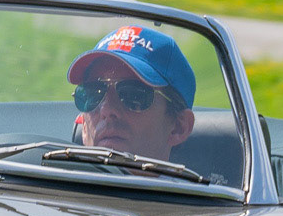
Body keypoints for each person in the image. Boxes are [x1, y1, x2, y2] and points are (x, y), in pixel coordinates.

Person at [66, 25, 196, 162]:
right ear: (84, 127)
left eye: (133, 96)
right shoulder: (49, 179)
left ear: (179, 126)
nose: (107, 109)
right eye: (93, 94)